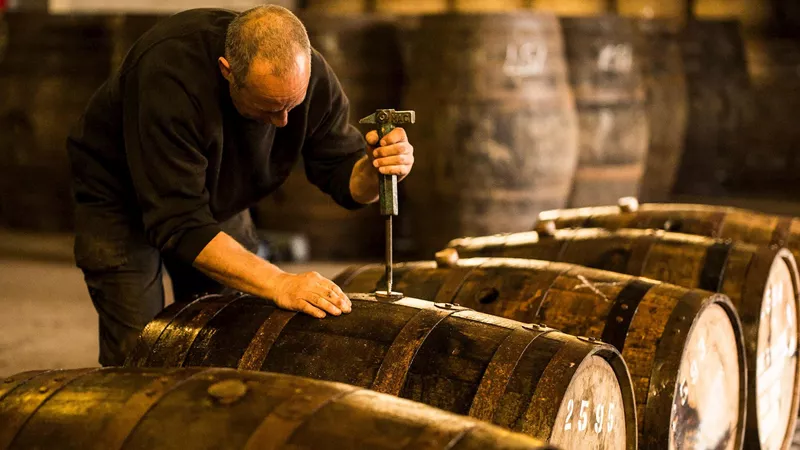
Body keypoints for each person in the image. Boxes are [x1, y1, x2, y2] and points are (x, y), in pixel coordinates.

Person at [66, 5, 415, 366]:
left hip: (216, 196)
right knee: (139, 350)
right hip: (120, 197)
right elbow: (178, 223)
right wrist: (280, 282)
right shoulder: (170, 75)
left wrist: (375, 170)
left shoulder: (311, 78)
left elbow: (344, 177)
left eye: (291, 106)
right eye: (268, 107)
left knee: (230, 337)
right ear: (227, 71)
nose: (282, 122)